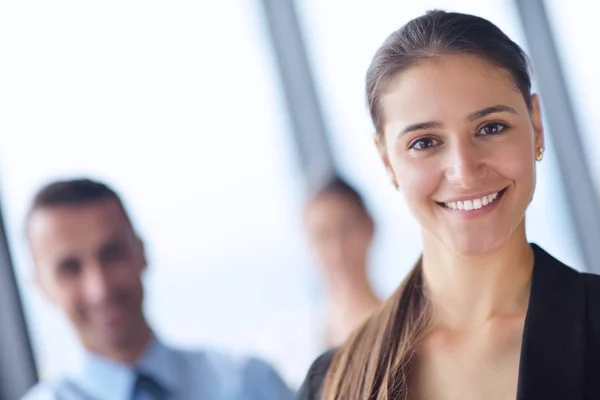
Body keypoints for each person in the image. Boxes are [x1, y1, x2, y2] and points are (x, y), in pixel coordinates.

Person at [299, 10, 600, 400]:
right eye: (424, 142)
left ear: (536, 125)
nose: (464, 171)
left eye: (490, 128)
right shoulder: (331, 382)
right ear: (387, 161)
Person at [22, 178, 294, 400]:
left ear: (141, 252)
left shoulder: (252, 384)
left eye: (112, 254)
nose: (99, 288)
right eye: (70, 269)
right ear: (40, 285)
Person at [303, 176, 381, 348]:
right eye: (322, 236)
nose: (337, 251)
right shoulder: (299, 343)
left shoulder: (402, 328)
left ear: (370, 228)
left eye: (345, 230)